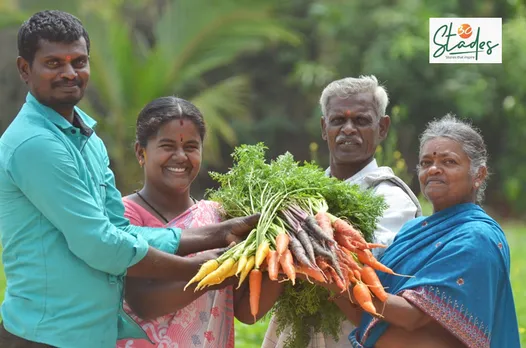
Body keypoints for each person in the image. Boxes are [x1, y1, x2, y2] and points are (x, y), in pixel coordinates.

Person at [0, 10, 257, 348]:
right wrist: (201, 270)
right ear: (25, 69)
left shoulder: (87, 140)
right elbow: (101, 245)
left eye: (78, 62)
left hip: (92, 336)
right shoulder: (35, 144)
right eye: (53, 64)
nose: (69, 73)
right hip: (44, 337)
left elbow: (121, 231)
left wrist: (220, 232)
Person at [262, 75, 422, 347]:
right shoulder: (299, 195)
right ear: (325, 128)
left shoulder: (391, 197)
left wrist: (296, 248)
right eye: (338, 121)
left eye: (361, 121)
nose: (348, 129)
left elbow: (364, 263)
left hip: (351, 336)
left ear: (382, 128)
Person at [345, 114, 520, 348]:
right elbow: (368, 314)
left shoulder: (477, 237)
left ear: (478, 175)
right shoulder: (411, 231)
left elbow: (411, 316)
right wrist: (329, 268)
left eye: (449, 162)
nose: (434, 169)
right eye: (426, 163)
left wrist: (339, 280)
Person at [115, 96, 277, 347]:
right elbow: (142, 303)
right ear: (141, 152)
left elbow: (246, 312)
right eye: (167, 146)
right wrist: (211, 274)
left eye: (191, 146)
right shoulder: (123, 216)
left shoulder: (220, 216)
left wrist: (283, 253)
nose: (180, 156)